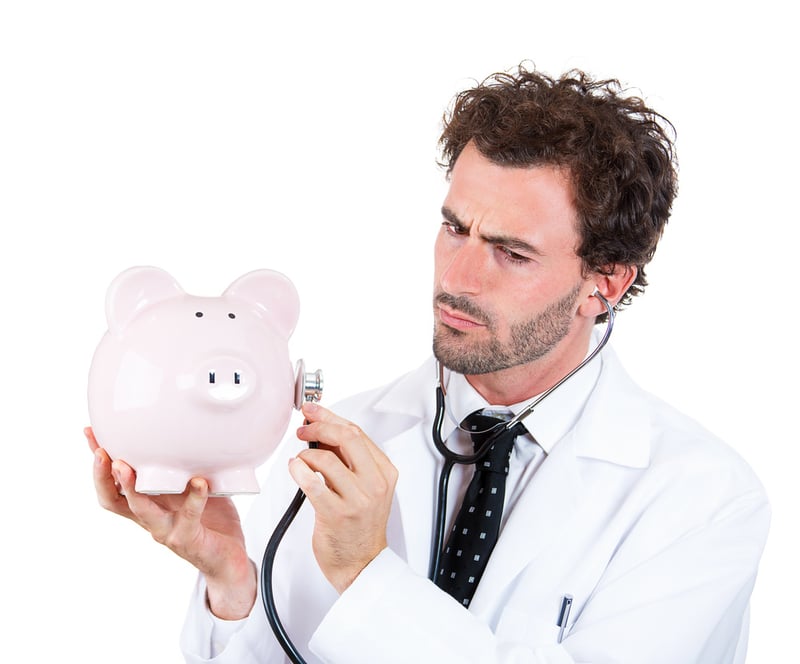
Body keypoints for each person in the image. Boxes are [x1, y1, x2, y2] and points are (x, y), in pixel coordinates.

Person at [88, 64, 770, 663]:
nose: (458, 278)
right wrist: (232, 581)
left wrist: (366, 573)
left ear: (606, 283)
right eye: (454, 228)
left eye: (513, 253)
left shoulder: (701, 499)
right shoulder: (337, 438)